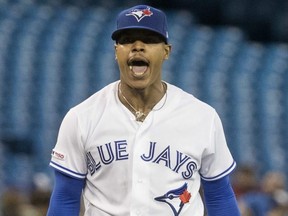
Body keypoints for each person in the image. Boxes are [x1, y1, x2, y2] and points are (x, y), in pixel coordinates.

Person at [47, 5, 240, 216]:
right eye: (127, 39)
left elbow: (220, 195)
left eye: (148, 39)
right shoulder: (81, 117)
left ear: (166, 51)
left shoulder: (203, 117)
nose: (137, 47)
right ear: (116, 51)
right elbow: (65, 198)